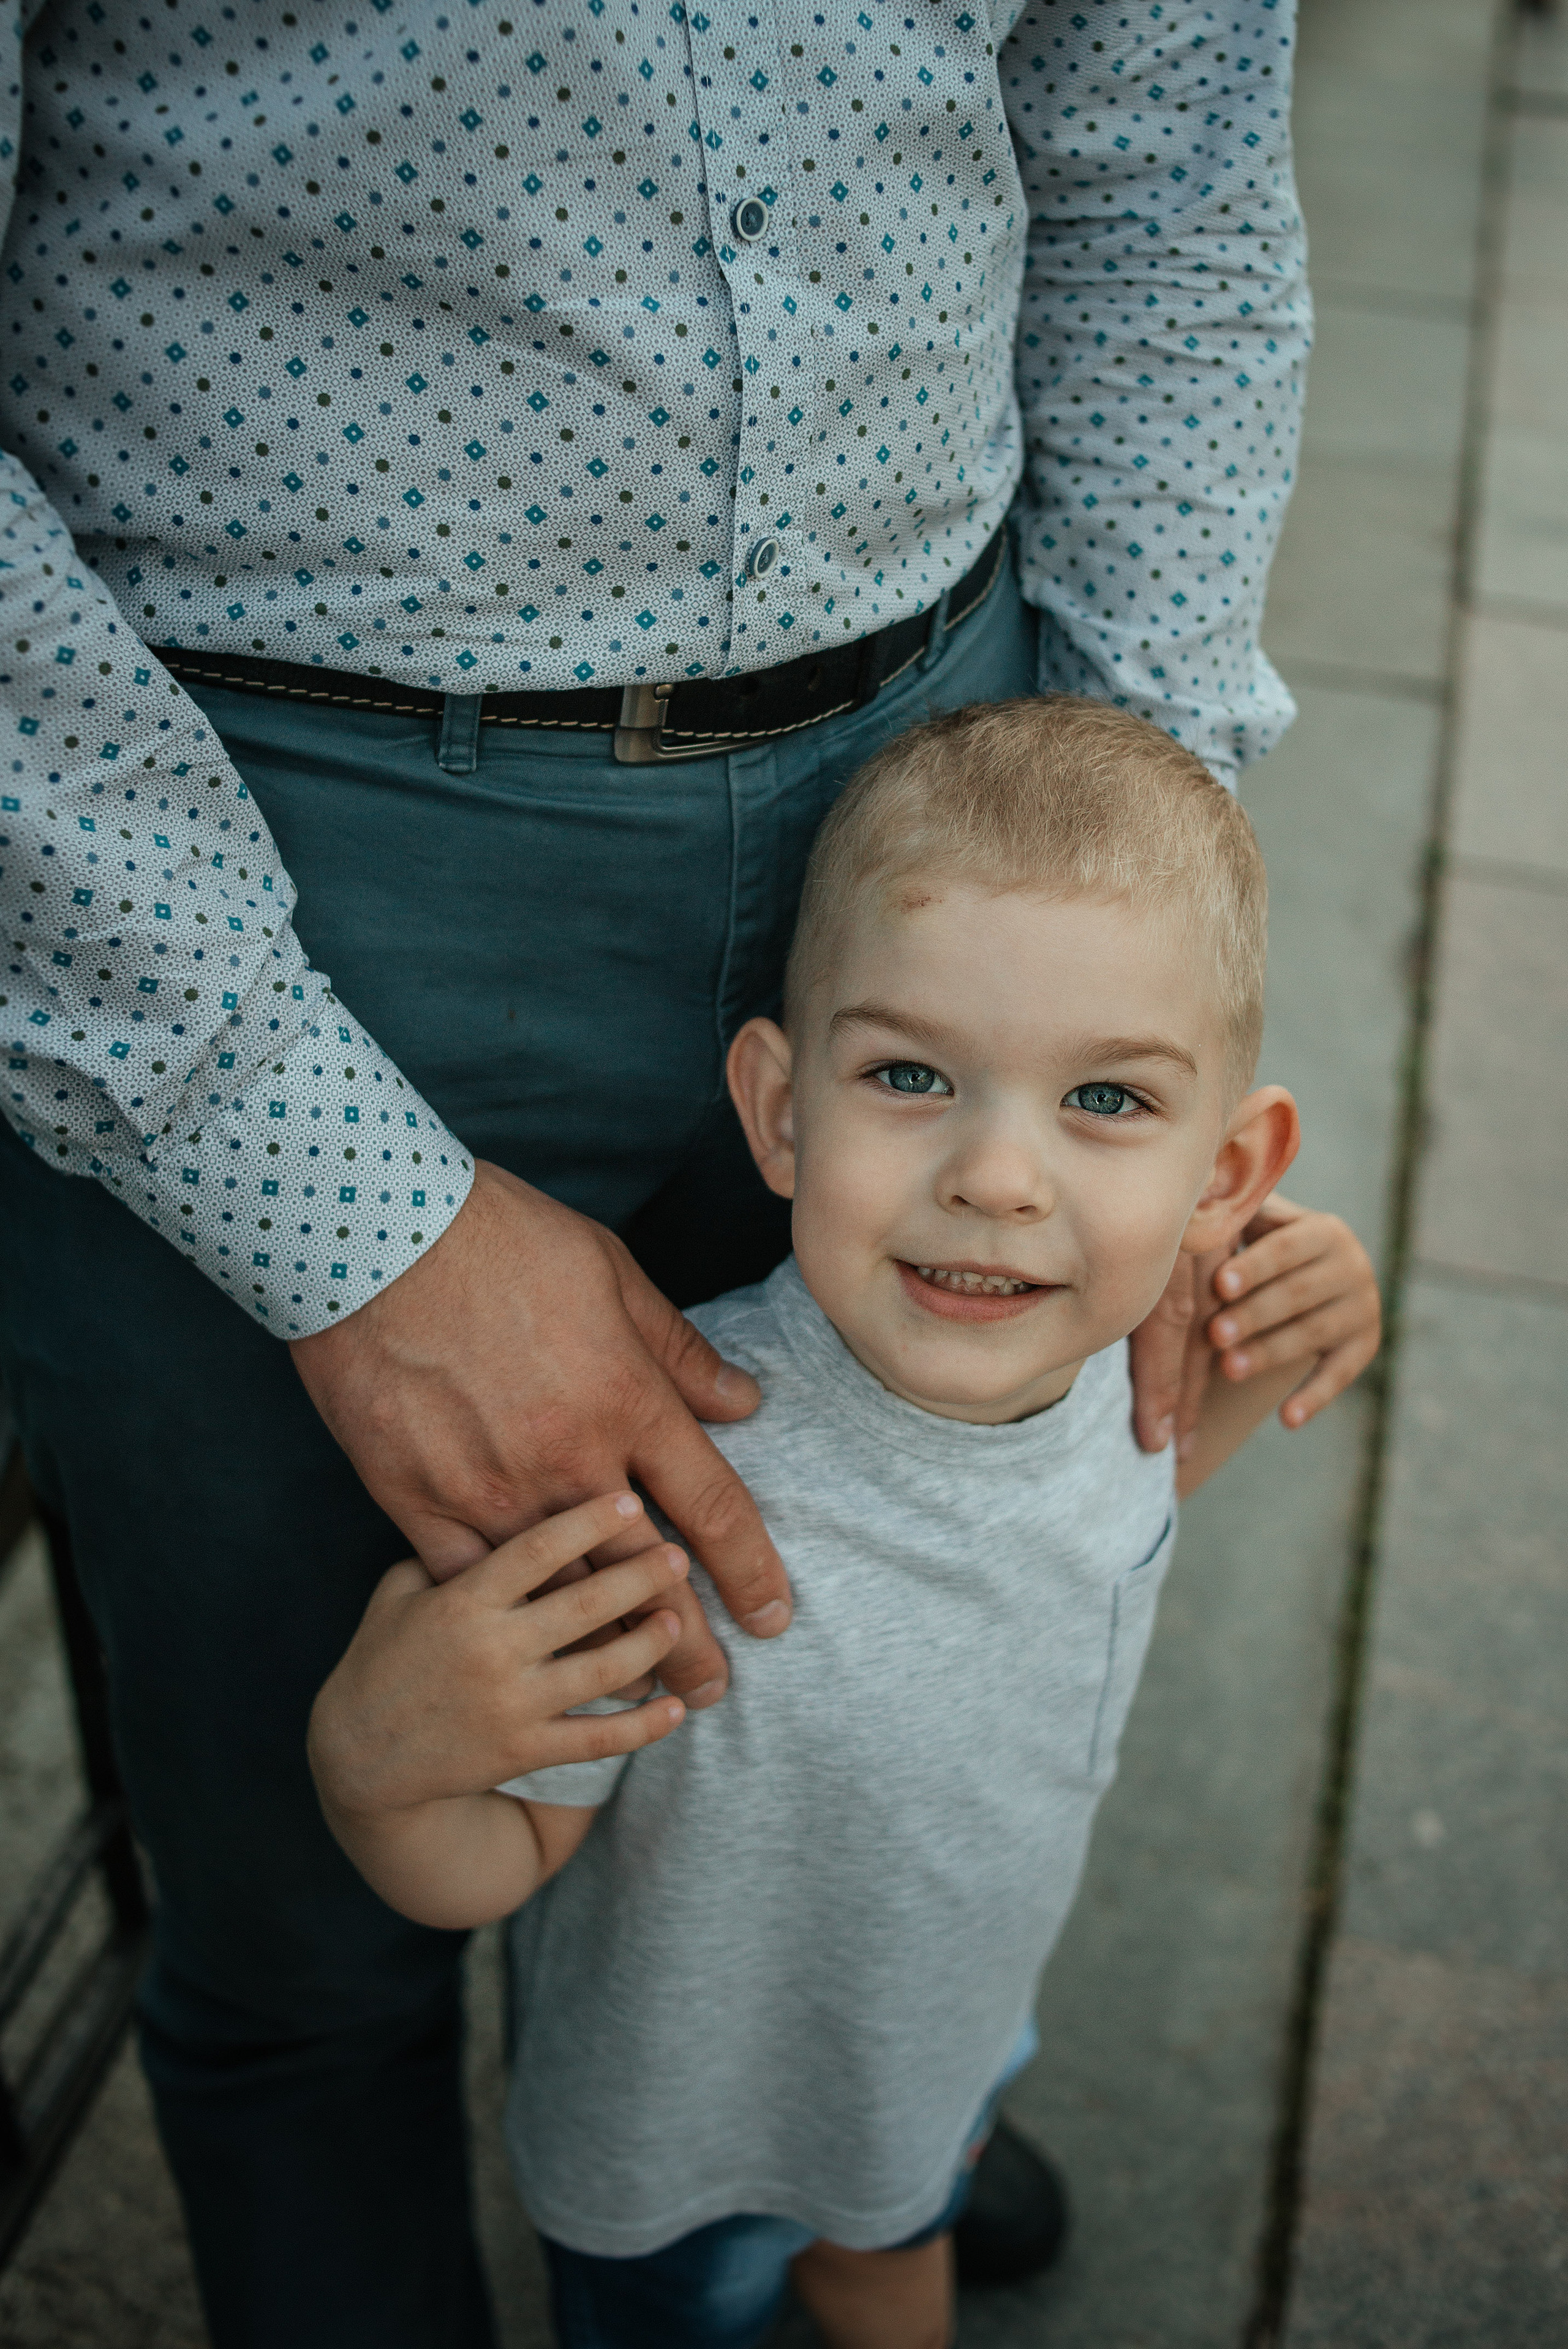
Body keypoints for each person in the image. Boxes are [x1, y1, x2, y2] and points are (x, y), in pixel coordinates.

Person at [0, 6, 1321, 2338]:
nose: (1021, 1190)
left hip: (958, 760)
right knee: (320, 1916)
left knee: (914, 1565)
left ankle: (847, 2105)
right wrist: (323, 1197)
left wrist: (1138, 898)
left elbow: (1164, 161)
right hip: (276, 831)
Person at [309, 697, 1382, 2349]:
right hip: (687, 2144)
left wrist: (1316, 1308)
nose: (1001, 1174)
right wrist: (374, 1767)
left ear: (1230, 1171)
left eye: (1105, 1100)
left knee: (895, 2263)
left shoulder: (1112, 1377)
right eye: (909, 1074)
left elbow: (1137, 1495)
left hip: (938, 2041)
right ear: (782, 1107)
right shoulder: (672, 1473)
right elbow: (504, 1854)